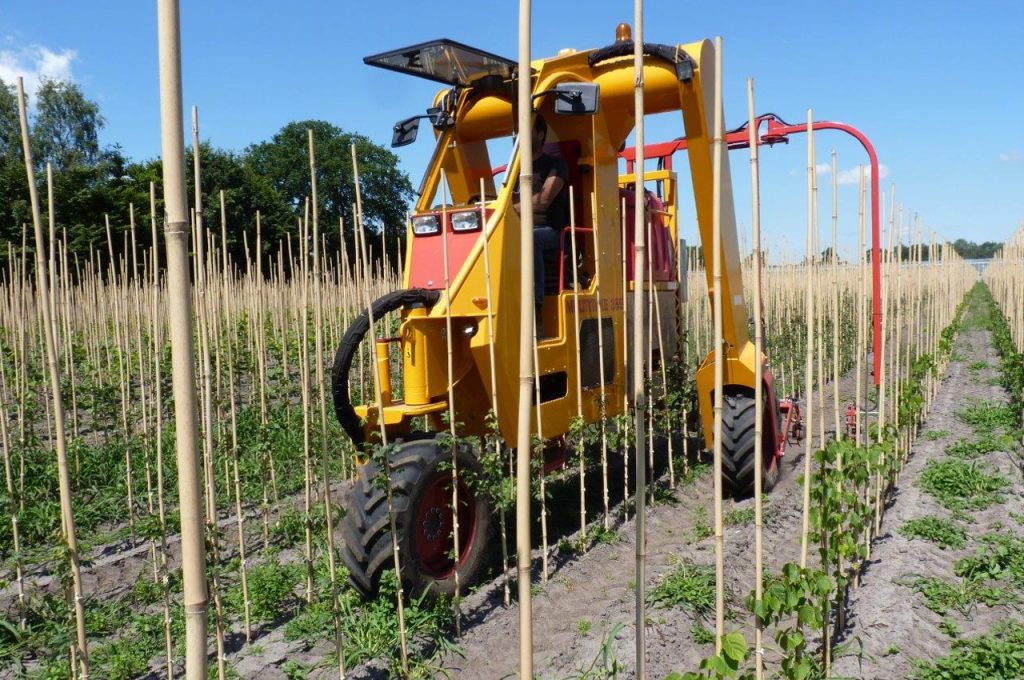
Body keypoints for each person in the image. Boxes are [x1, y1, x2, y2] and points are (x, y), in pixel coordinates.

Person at [513, 116, 569, 335]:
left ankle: (534, 312)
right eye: (519, 131)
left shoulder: (556, 165)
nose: (521, 136)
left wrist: (513, 208)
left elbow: (544, 199)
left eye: (526, 130)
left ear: (540, 134)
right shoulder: (515, 170)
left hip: (553, 232)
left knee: (530, 240)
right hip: (518, 229)